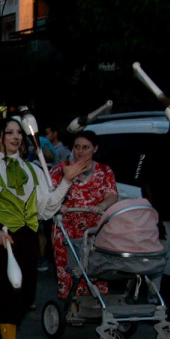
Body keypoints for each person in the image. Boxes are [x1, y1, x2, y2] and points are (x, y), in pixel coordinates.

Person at [0, 117, 86, 339]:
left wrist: (66, 181)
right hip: (2, 239)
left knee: (26, 298)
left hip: (28, 238)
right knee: (10, 294)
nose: (16, 137)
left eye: (19, 133)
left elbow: (46, 210)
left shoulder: (33, 170)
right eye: (9, 132)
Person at [49, 131, 117, 319]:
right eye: (77, 147)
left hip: (94, 227)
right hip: (66, 225)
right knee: (69, 267)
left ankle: (96, 303)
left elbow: (112, 194)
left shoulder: (104, 171)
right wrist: (58, 205)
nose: (80, 151)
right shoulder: (59, 169)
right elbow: (49, 193)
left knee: (96, 266)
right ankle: (72, 306)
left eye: (85, 147)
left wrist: (102, 205)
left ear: (95, 149)